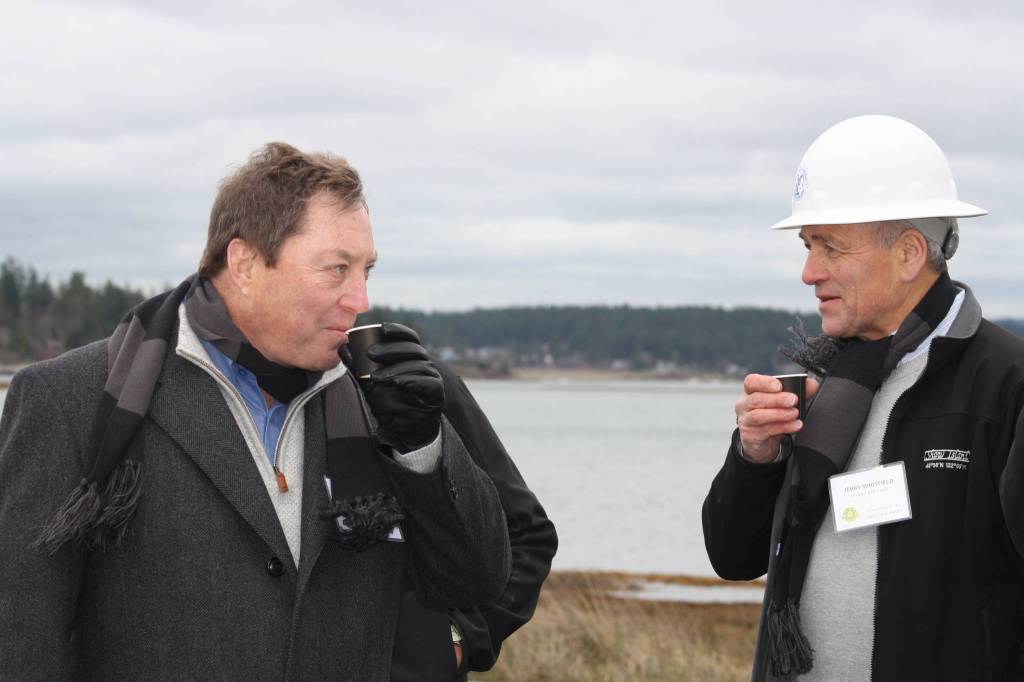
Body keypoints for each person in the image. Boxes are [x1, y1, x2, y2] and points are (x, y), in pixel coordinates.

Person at [0, 142, 511, 680]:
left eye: (367, 270)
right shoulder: (69, 401)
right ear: (244, 262)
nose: (359, 298)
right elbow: (19, 640)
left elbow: (476, 581)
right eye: (335, 269)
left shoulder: (378, 398)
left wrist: (420, 448)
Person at [702, 115, 1024, 681]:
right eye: (807, 245)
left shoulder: (1005, 385)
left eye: (831, 247)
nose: (808, 272)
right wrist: (756, 455)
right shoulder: (824, 387)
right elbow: (733, 557)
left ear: (908, 254)